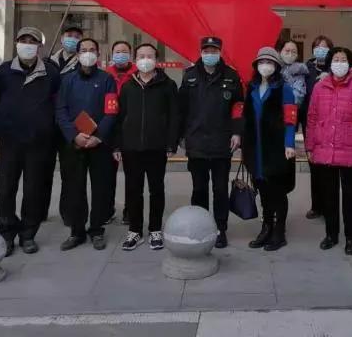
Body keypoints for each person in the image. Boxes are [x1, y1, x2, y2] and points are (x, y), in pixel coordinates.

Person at [0, 27, 60, 256]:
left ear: (39, 46)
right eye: (23, 40)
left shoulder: (51, 72)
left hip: (39, 143)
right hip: (10, 141)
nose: (27, 44)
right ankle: (7, 232)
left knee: (33, 190)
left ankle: (28, 234)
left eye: (32, 41)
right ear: (16, 43)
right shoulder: (3, 71)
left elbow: (57, 102)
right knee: (7, 189)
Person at [306, 46, 352, 255]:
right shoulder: (319, 87)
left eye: (343, 59)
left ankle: (351, 237)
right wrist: (310, 146)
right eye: (336, 59)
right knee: (329, 196)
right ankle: (331, 234)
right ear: (329, 63)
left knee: (350, 196)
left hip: (350, 151)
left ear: (350, 63)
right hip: (324, 150)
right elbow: (312, 118)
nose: (339, 63)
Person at [179, 36, 244, 249]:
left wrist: (237, 133)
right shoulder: (189, 75)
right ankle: (200, 226)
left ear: (220, 52)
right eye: (206, 51)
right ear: (201, 52)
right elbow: (182, 109)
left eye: (213, 51)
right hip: (196, 141)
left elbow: (238, 107)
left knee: (220, 189)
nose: (210, 54)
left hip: (221, 142)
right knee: (199, 188)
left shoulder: (231, 76)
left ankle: (220, 228)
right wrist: (181, 136)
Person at [114, 43, 180, 252]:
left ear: (156, 60)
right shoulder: (128, 86)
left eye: (149, 56)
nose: (145, 60)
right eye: (141, 56)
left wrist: (171, 143)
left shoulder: (168, 85)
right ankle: (134, 230)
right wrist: (117, 145)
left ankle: (155, 229)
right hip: (131, 147)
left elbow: (174, 116)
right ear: (135, 60)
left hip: (157, 147)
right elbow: (120, 117)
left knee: (156, 189)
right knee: (133, 190)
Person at [55, 38, 118, 251]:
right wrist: (74, 135)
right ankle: (77, 231)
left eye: (92, 50)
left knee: (101, 188)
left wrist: (98, 136)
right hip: (75, 143)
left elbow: (111, 111)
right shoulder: (67, 80)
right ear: (77, 54)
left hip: (99, 144)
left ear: (98, 54)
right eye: (84, 50)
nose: (88, 53)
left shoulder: (107, 79)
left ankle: (97, 229)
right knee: (74, 188)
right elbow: (61, 110)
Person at [242, 47, 298, 252]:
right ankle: (266, 227)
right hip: (255, 147)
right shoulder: (251, 87)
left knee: (277, 191)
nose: (265, 66)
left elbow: (290, 119)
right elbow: (245, 115)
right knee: (263, 189)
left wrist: (289, 143)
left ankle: (279, 231)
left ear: (276, 66)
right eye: (262, 62)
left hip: (276, 147)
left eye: (269, 62)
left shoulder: (284, 89)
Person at [43, 25, 84, 224]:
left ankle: (69, 214)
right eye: (69, 35)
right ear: (61, 38)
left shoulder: (83, 64)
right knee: (42, 171)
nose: (72, 39)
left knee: (70, 173)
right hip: (47, 124)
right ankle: (38, 212)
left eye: (77, 37)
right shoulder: (47, 62)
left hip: (70, 126)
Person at [302, 34, 334, 220]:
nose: (321, 50)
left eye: (325, 47)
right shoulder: (306, 69)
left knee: (328, 167)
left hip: (330, 123)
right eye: (317, 46)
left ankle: (329, 206)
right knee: (314, 165)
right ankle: (316, 206)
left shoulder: (335, 69)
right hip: (311, 123)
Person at [106, 40, 136, 226]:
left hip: (130, 129)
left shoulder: (137, 75)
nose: (121, 55)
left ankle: (130, 211)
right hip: (109, 128)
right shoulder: (105, 74)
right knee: (107, 175)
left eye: (124, 51)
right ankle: (107, 210)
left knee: (132, 174)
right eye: (117, 51)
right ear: (112, 54)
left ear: (130, 55)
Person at [278, 39, 309, 108]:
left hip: (289, 110)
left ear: (297, 55)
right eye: (287, 51)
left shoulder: (300, 72)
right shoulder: (273, 69)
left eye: (294, 52)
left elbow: (298, 99)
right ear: (280, 52)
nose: (290, 54)